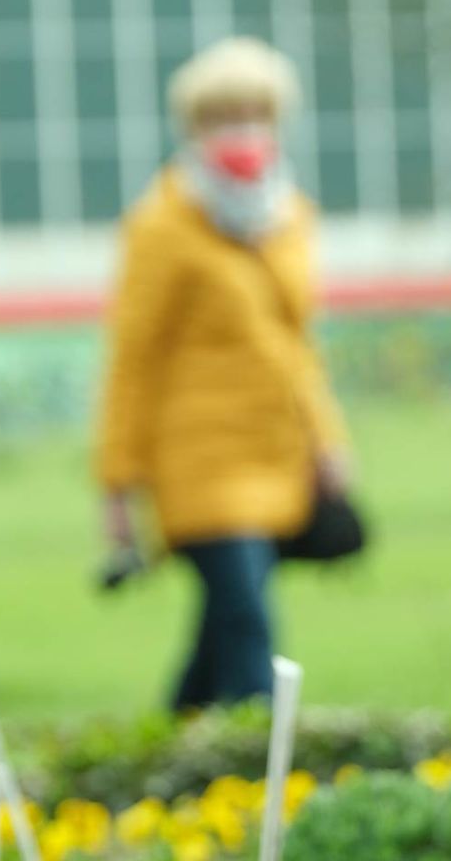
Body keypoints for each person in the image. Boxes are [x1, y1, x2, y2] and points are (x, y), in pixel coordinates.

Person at [95, 37, 351, 709]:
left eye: (254, 116)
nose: (241, 133)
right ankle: (261, 769)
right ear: (195, 130)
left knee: (223, 626)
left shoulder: (288, 217)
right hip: (198, 458)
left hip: (275, 452)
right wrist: (118, 483)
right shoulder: (162, 226)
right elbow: (132, 358)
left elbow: (297, 345)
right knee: (248, 621)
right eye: (223, 119)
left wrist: (327, 441)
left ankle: (169, 756)